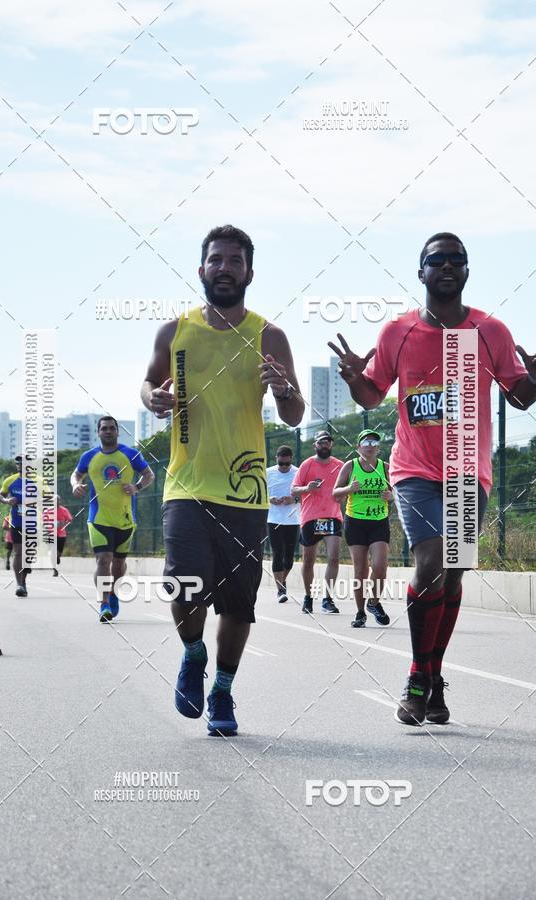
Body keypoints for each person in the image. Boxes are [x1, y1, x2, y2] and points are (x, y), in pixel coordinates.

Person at [330, 232, 536, 726]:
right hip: (413, 469)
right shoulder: (398, 333)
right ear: (421, 271)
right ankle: (415, 676)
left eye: (457, 260)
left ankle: (434, 675)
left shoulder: (489, 331)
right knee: (431, 559)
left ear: (467, 271)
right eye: (437, 260)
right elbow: (371, 396)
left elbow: (519, 398)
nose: (447, 266)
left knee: (453, 573)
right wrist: (351, 377)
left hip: (469, 471)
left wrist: (535, 377)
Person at [141, 224, 304, 736]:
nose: (226, 268)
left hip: (246, 493)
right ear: (202, 269)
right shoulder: (174, 332)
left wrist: (282, 391)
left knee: (238, 605)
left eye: (235, 261)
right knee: (183, 582)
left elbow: (296, 413)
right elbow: (148, 385)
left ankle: (224, 691)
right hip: (187, 485)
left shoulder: (269, 335)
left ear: (249, 272)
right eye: (217, 260)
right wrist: (155, 400)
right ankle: (193, 655)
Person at [71, 417, 154, 622]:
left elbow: (148, 474)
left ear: (118, 431)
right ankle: (103, 603)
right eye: (104, 428)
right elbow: (76, 474)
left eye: (112, 428)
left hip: (125, 518)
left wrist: (137, 487)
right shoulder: (89, 456)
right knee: (103, 559)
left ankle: (114, 592)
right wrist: (75, 485)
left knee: (119, 563)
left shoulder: (130, 454)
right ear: (98, 432)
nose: (108, 431)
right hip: (98, 517)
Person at [333, 429, 392, 628]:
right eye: (365, 442)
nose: (369, 445)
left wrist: (391, 495)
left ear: (378, 448)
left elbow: (398, 491)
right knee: (360, 570)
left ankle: (373, 603)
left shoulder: (385, 467)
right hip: (355, 522)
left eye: (374, 442)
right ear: (358, 447)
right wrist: (349, 489)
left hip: (379, 521)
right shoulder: (350, 466)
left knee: (380, 566)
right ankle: (360, 613)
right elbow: (335, 493)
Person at [291, 431, 344, 615]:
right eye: (321, 442)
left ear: (331, 445)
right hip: (310, 517)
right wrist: (307, 488)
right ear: (315, 445)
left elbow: (346, 488)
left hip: (332, 516)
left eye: (328, 442)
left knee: (334, 558)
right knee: (308, 561)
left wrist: (344, 493)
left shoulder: (340, 466)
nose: (325, 445)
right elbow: (294, 490)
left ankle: (327, 599)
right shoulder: (307, 464)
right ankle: (308, 596)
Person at [266, 445, 300, 602]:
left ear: (291, 460)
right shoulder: (268, 473)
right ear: (276, 460)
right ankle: (280, 590)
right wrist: (270, 500)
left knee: (289, 556)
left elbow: (306, 494)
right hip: (273, 519)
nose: (284, 467)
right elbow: (258, 494)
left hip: (293, 519)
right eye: (281, 464)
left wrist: (294, 499)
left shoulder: (298, 472)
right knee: (277, 553)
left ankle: (282, 579)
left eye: (287, 464)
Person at [0, 456, 29, 597]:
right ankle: (19, 584)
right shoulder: (10, 480)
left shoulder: (39, 480)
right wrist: (6, 500)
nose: (20, 465)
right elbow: (1, 495)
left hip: (34, 523)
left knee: (29, 554)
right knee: (18, 552)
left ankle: (23, 579)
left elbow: (48, 497)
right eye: (18, 463)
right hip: (16, 522)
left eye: (23, 463)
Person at [44, 495, 73, 576]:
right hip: (51, 534)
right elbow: (43, 522)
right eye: (54, 500)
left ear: (59, 501)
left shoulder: (64, 510)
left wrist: (63, 524)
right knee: (52, 551)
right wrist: (49, 525)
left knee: (58, 552)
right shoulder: (47, 511)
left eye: (57, 500)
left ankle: (58, 557)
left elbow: (70, 520)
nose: (55, 502)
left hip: (61, 534)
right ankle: (54, 569)